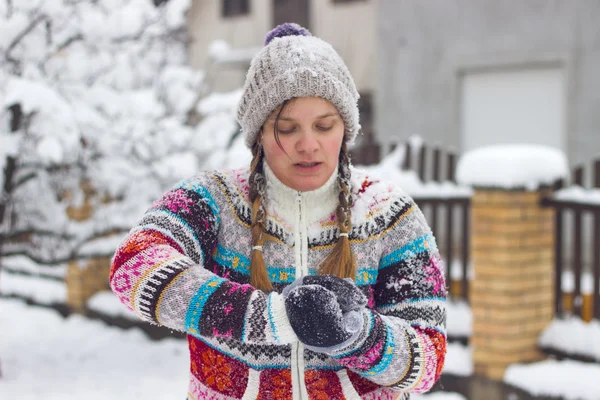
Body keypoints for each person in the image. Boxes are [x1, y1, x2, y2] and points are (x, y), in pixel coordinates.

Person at [109, 23, 447, 400]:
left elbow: (427, 359)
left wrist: (357, 336)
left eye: (324, 125)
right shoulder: (213, 200)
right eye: (287, 129)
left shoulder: (390, 213)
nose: (308, 145)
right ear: (259, 136)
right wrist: (268, 317)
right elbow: (133, 266)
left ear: (346, 128)